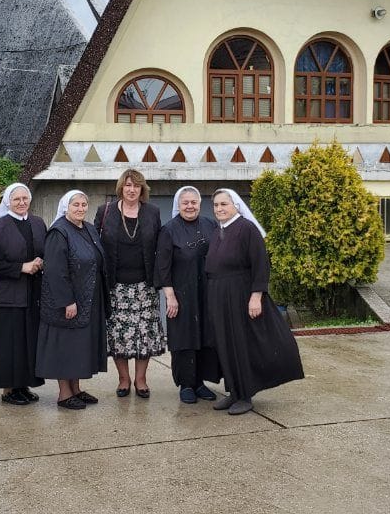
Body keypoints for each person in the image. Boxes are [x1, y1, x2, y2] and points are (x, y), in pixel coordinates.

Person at [205, 188, 304, 415]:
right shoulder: (218, 230)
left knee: (241, 344)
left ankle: (246, 395)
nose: (219, 209)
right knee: (225, 343)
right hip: (220, 295)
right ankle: (234, 392)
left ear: (236, 206)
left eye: (224, 204)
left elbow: (261, 264)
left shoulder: (247, 229)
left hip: (240, 295)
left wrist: (256, 296)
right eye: (216, 205)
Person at [94, 168, 165, 398]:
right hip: (115, 286)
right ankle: (123, 380)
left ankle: (141, 380)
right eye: (127, 185)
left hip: (145, 286)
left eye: (136, 186)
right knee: (119, 335)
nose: (132, 190)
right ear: (120, 188)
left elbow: (160, 247)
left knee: (144, 334)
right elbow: (95, 246)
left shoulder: (152, 212)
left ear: (142, 189)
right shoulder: (104, 211)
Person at [36, 190, 108, 410]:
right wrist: (67, 301)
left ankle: (76, 389)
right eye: (75, 204)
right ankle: (64, 394)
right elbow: (55, 271)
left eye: (84, 204)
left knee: (79, 347)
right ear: (66, 207)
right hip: (68, 301)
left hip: (88, 298)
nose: (80, 208)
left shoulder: (89, 229)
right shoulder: (59, 232)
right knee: (66, 346)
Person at [0, 183, 46, 405]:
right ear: (8, 201)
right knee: (9, 344)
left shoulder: (38, 224)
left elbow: (45, 251)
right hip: (7, 296)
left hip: (32, 294)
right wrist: (21, 268)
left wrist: (40, 262)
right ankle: (8, 390)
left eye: (25, 198)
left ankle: (23, 385)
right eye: (16, 199)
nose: (21, 203)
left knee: (27, 343)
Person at [155, 186, 221, 404]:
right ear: (178, 205)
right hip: (182, 294)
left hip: (207, 292)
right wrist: (170, 296)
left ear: (200, 204)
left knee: (205, 336)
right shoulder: (169, 230)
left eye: (194, 202)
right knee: (184, 338)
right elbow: (162, 267)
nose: (190, 206)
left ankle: (200, 382)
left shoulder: (211, 225)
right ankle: (185, 385)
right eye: (186, 203)